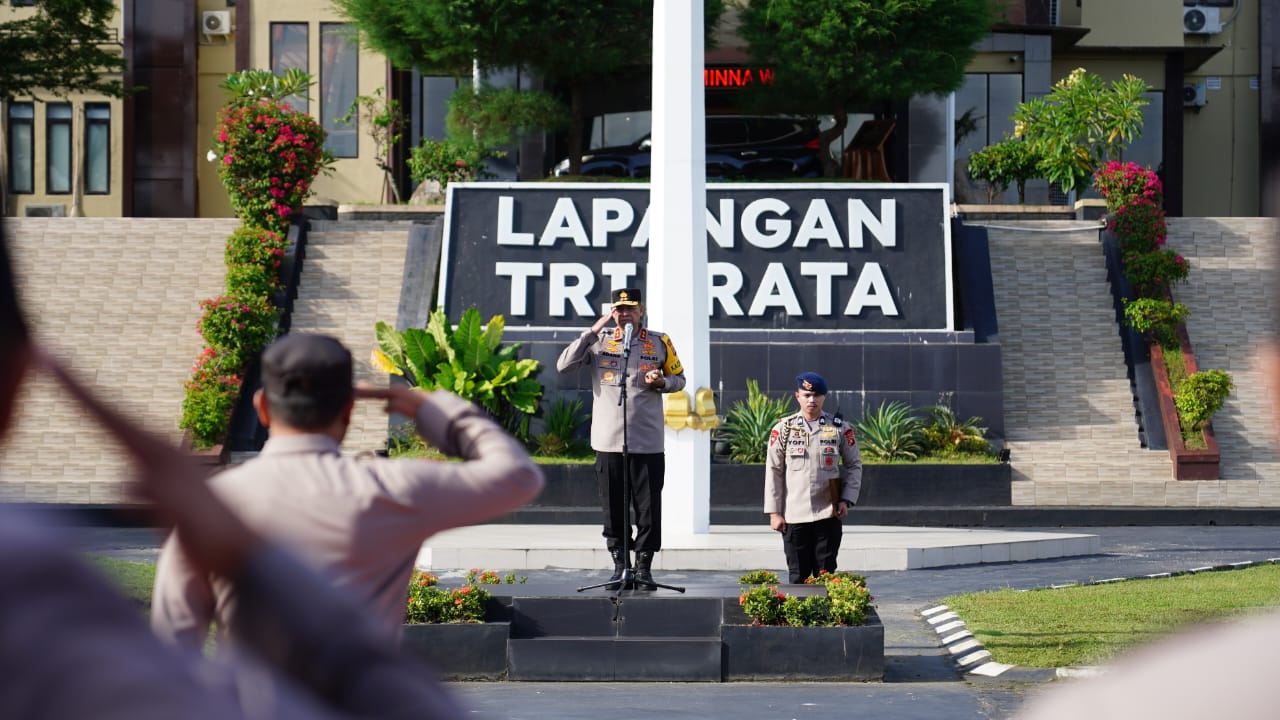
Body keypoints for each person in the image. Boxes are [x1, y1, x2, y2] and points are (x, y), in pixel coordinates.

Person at [0, 224, 469, 718]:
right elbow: (512, 476)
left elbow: (175, 637)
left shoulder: (223, 499)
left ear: (261, 407)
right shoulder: (33, 582)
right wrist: (255, 565)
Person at [152, 332, 545, 649]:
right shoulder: (391, 488)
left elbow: (172, 646)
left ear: (262, 407)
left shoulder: (209, 504)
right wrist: (429, 406)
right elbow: (518, 477)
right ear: (348, 410)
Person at [556, 287, 686, 588]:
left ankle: (644, 568)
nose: (625, 314)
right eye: (619, 309)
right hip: (608, 441)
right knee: (613, 508)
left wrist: (662, 382)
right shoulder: (599, 341)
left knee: (648, 509)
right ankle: (619, 565)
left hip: (647, 441)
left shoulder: (659, 342)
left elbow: (680, 379)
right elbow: (563, 365)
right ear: (612, 312)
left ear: (641, 311)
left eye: (630, 308)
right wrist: (592, 332)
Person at [764, 372, 862, 584]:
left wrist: (846, 499)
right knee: (797, 576)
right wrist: (774, 512)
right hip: (794, 516)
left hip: (828, 513)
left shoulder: (839, 428)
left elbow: (854, 465)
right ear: (797, 396)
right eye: (807, 395)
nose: (812, 400)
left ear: (824, 397)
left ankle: (825, 608)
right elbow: (774, 470)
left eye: (817, 395)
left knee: (825, 576)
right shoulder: (784, 429)